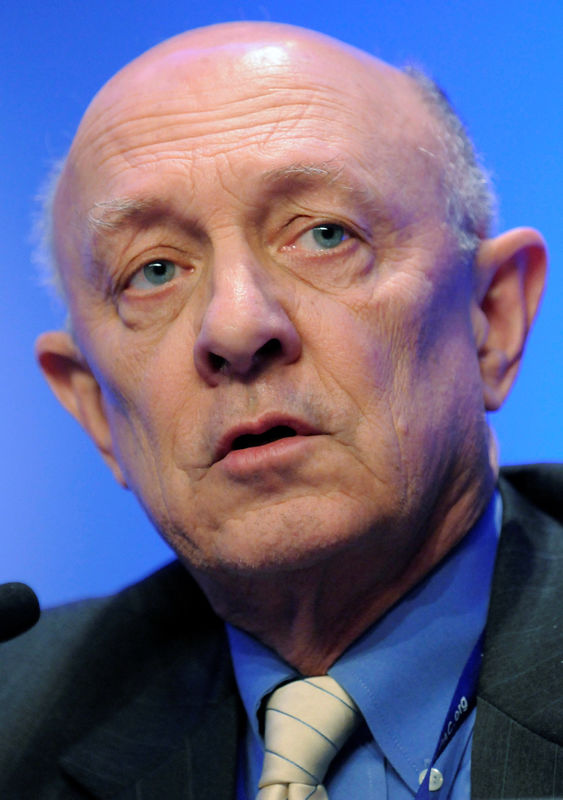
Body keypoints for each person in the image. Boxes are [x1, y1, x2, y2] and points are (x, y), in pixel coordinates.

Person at [0, 20, 561, 800]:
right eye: (154, 270)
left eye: (325, 233)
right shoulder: (15, 732)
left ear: (491, 320)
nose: (235, 327)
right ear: (94, 408)